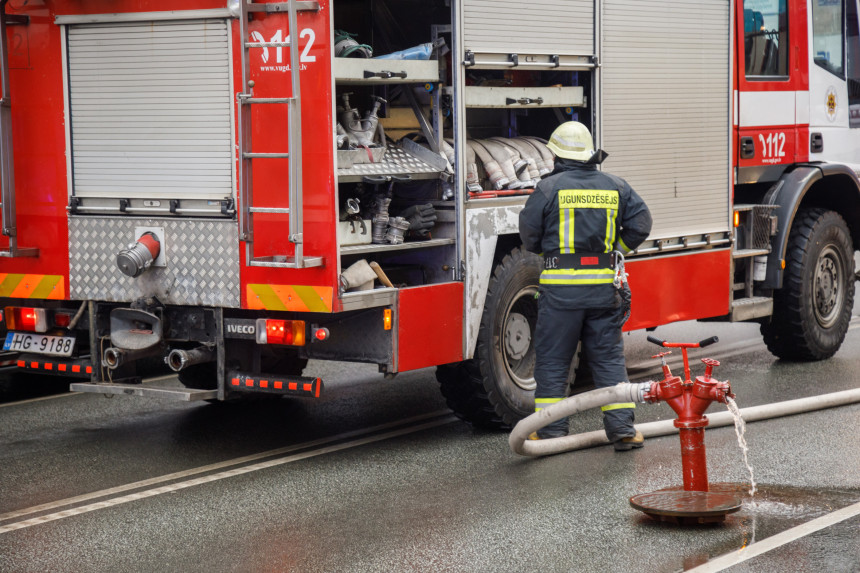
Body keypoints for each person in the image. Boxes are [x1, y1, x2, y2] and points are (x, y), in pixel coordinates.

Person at [518, 121, 652, 451]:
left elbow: (529, 236)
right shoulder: (615, 186)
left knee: (553, 362)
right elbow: (642, 223)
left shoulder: (548, 189)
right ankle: (622, 429)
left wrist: (551, 254)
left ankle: (550, 434)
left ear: (557, 156)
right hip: (603, 293)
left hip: (561, 296)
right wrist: (616, 249)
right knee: (608, 361)